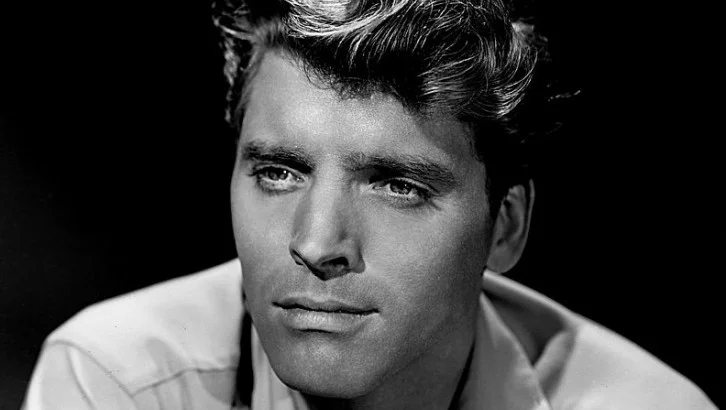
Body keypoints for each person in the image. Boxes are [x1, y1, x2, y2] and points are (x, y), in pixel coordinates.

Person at [23, 0, 717, 409]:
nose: (316, 244)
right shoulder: (119, 381)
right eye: (278, 172)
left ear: (504, 228)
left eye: (398, 186)